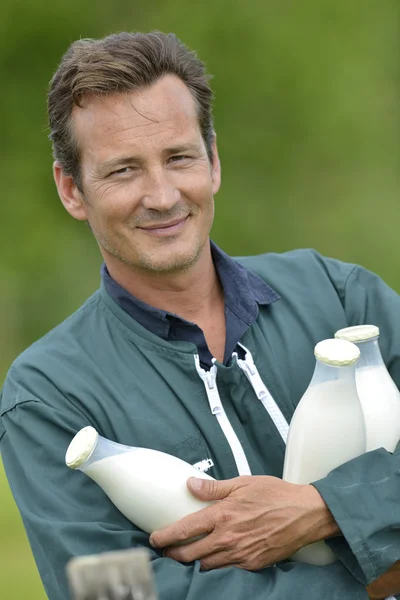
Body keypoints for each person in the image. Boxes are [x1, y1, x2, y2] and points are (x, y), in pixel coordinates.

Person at [0, 31, 399, 600]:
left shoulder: (342, 299)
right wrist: (374, 580)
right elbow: (108, 588)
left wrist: (326, 508)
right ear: (72, 189)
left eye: (178, 157)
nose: (161, 195)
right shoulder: (47, 395)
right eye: (123, 171)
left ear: (212, 162)